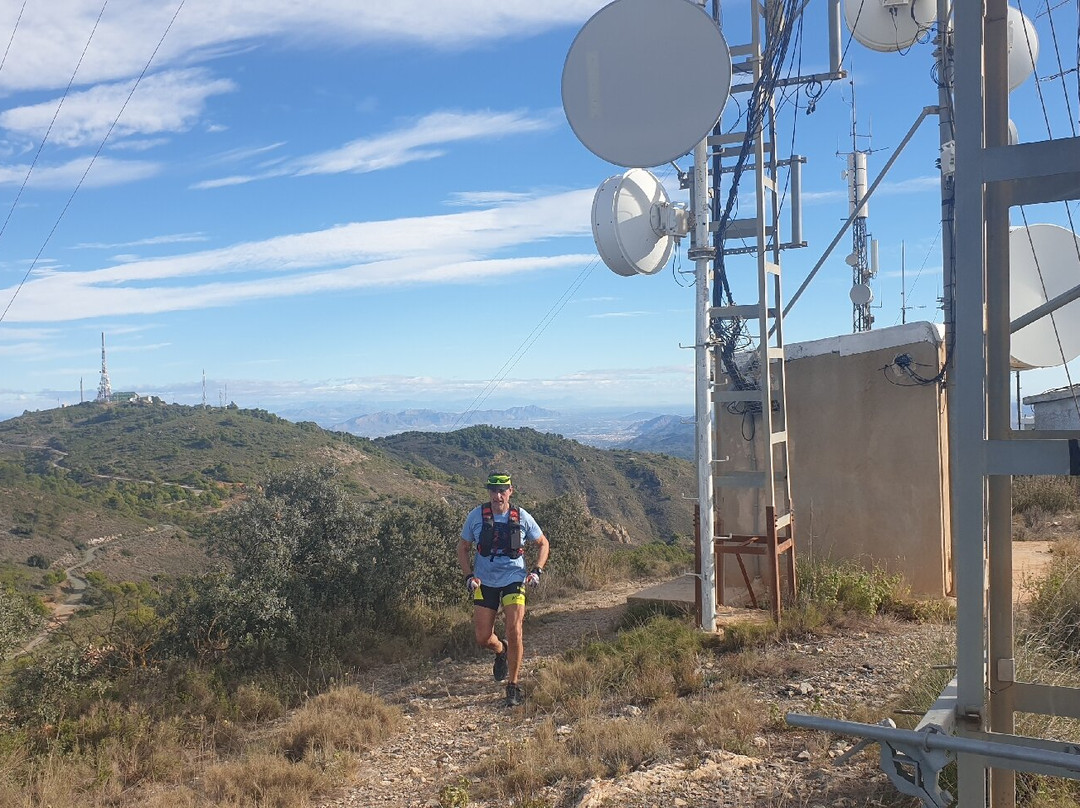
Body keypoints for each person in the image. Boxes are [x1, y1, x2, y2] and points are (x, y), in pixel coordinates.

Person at [458, 472, 549, 707]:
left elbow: (543, 543)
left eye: (502, 490)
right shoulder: (476, 516)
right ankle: (501, 651)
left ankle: (513, 685)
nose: (498, 495)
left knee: (514, 629)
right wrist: (469, 575)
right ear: (488, 492)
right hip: (484, 581)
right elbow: (463, 547)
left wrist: (537, 570)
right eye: (493, 491)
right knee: (482, 638)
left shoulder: (522, 516)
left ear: (511, 491)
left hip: (514, 578)